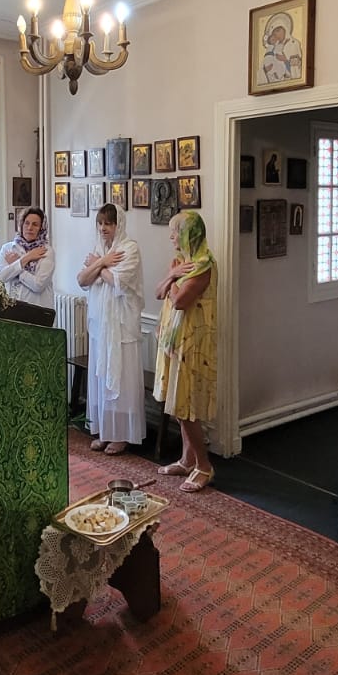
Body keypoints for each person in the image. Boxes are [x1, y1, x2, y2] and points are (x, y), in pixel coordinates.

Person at [153, 211, 218, 494]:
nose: (171, 237)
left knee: (187, 406)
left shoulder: (203, 265)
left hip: (193, 343)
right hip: (174, 340)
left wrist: (173, 283)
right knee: (179, 405)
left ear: (189, 233)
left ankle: (204, 466)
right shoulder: (179, 263)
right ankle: (187, 459)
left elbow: (180, 301)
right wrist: (170, 275)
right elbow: (158, 292)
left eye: (175, 231)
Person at [77, 203, 144, 455]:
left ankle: (122, 434)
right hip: (100, 325)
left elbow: (117, 280)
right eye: (101, 223)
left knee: (121, 380)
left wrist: (98, 266)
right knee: (101, 379)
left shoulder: (130, 249)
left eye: (109, 223)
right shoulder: (99, 249)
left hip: (121, 326)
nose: (104, 228)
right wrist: (103, 261)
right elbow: (82, 279)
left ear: (119, 224)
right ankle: (105, 431)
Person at [0, 207, 54, 307]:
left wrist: (16, 266)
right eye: (26, 223)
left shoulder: (46, 251)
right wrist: (27, 258)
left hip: (37, 309)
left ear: (41, 228)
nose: (29, 228)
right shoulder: (8, 248)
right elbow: (2, 277)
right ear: (21, 225)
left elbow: (38, 285)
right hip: (12, 308)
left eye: (35, 224)